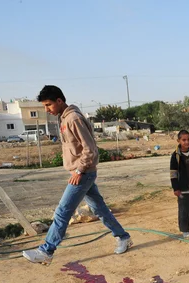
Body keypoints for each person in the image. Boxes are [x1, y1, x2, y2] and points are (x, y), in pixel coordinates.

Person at [22, 86, 132, 265]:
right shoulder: (64, 118)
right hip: (81, 172)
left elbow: (91, 150)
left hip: (83, 173)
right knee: (99, 209)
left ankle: (46, 251)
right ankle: (123, 236)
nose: (46, 109)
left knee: (63, 211)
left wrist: (80, 170)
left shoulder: (73, 118)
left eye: (48, 105)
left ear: (59, 101)